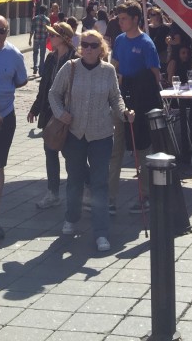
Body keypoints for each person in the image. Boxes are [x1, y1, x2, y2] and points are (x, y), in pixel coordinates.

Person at [49, 29, 134, 253]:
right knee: (75, 179)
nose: (88, 49)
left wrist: (124, 112)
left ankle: (101, 232)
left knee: (99, 184)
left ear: (101, 49)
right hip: (75, 134)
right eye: (85, 44)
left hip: (101, 134)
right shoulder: (71, 68)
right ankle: (71, 217)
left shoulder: (108, 72)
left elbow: (115, 98)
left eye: (93, 46)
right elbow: (53, 93)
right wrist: (60, 113)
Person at [109, 1, 161, 215]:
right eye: (119, 19)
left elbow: (155, 74)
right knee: (116, 148)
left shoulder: (146, 43)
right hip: (122, 98)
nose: (120, 22)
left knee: (141, 148)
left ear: (135, 20)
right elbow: (114, 66)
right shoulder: (120, 40)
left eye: (123, 19)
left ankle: (146, 194)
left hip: (141, 101)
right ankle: (110, 197)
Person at [0, 15, 27, 239]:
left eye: (2, 31)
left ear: (8, 32)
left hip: (4, 116)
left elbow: (21, 80)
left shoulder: (15, 55)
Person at [26, 22, 77, 209]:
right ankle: (53, 193)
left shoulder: (75, 59)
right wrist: (35, 108)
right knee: (50, 151)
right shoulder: (50, 58)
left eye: (54, 35)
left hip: (69, 114)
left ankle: (86, 186)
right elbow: (44, 86)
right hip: (50, 113)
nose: (50, 38)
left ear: (64, 37)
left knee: (72, 154)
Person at [27, 5, 50, 77]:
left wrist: (30, 39)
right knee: (42, 55)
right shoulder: (47, 19)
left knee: (35, 53)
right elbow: (48, 31)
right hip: (43, 39)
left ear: (39, 10)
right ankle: (41, 70)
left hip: (36, 38)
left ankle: (35, 67)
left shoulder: (35, 18)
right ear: (45, 11)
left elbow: (32, 30)